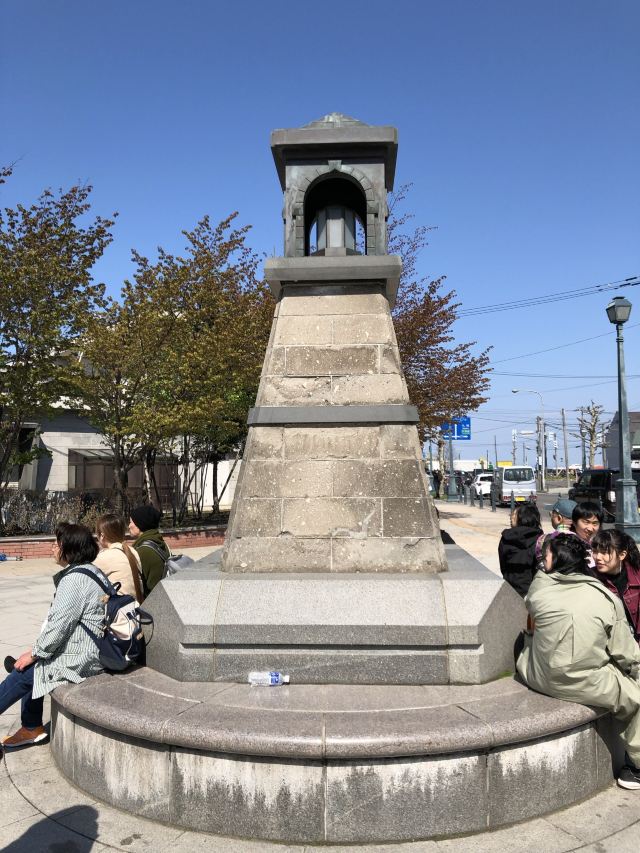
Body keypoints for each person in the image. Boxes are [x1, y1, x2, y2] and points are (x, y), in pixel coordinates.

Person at [517, 533, 640, 790]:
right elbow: (627, 654)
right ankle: (635, 768)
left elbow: (537, 590)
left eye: (545, 557)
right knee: (636, 699)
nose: (542, 562)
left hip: (536, 675)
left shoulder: (538, 590)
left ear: (555, 561)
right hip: (582, 683)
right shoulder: (605, 598)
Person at [0, 523, 105, 750]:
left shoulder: (74, 580)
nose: (52, 548)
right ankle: (31, 727)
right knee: (33, 667)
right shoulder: (92, 571)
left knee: (25, 671)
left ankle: (31, 727)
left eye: (57, 544)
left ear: (70, 549)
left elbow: (59, 627)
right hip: (89, 648)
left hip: (83, 657)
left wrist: (34, 654)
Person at [592, 528, 640, 643]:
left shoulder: (637, 576)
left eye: (604, 552)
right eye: (595, 551)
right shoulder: (590, 578)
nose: (598, 557)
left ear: (622, 555)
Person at [94, 513, 144, 602]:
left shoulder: (105, 556)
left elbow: (85, 577)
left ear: (102, 536)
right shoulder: (133, 551)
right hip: (136, 605)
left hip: (119, 607)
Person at [498, 503, 543, 597]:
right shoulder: (540, 539)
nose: (511, 518)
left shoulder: (506, 538)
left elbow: (503, 566)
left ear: (523, 518)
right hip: (532, 591)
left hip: (509, 587)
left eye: (514, 515)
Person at [129, 505, 169, 594]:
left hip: (152, 599)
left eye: (131, 522)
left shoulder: (143, 551)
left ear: (140, 524)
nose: (129, 526)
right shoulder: (159, 542)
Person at [534, 498, 577, 570]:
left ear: (559, 518)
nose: (551, 517)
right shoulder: (582, 539)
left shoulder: (543, 539)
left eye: (551, 514)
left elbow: (541, 563)